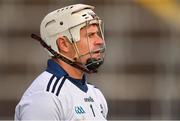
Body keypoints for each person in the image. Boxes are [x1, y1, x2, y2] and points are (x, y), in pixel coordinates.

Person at [14, 4, 108, 120]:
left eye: (97, 34)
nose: (99, 41)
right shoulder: (46, 96)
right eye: (90, 35)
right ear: (63, 44)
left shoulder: (96, 94)